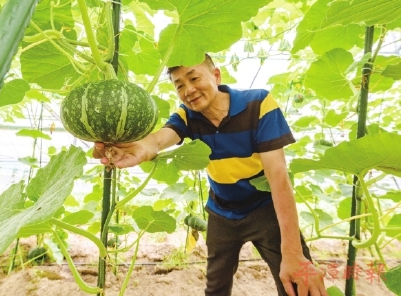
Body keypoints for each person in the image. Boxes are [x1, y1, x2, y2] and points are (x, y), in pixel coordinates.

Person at [94, 54, 327, 296]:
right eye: (179, 85)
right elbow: (159, 139)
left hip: (264, 209)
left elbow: (278, 178)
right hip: (221, 213)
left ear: (216, 75)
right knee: (216, 288)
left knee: (299, 281)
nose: (189, 90)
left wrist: (293, 253)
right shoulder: (187, 116)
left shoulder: (259, 103)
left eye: (194, 78)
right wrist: (139, 150)